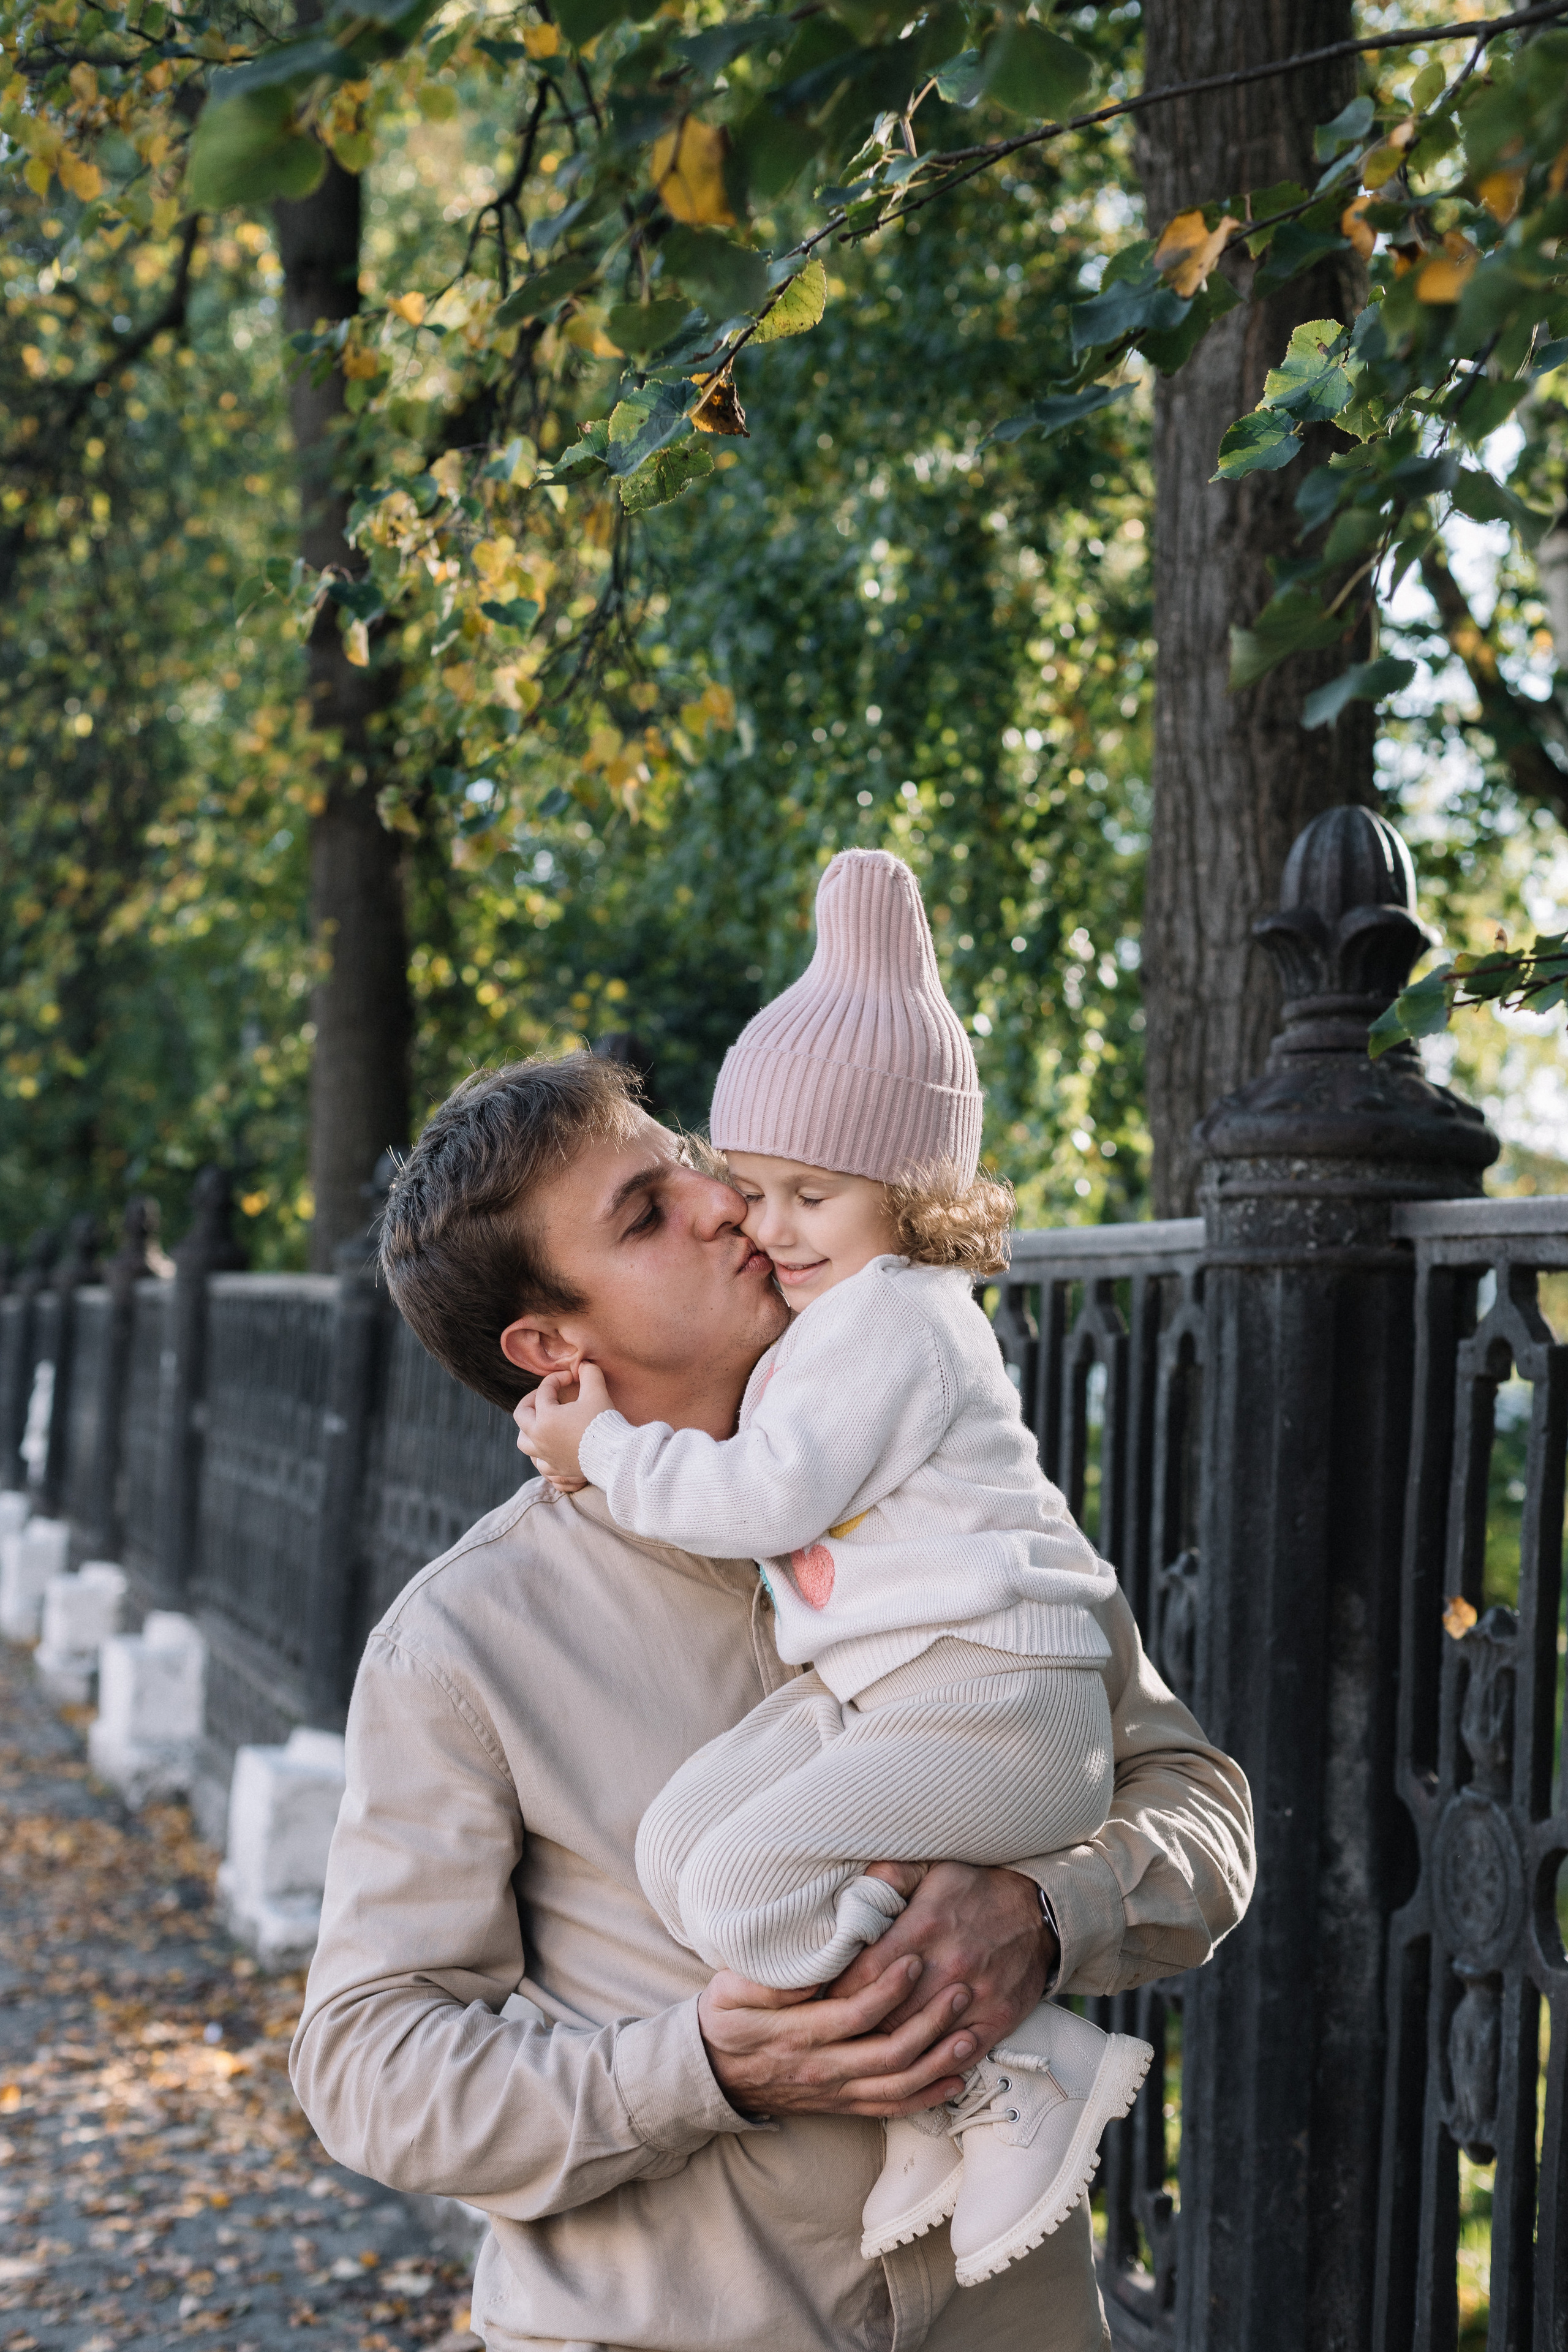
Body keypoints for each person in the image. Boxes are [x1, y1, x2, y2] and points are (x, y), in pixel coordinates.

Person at [290, 1049, 1255, 2352]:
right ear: (549, 1345)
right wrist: (697, 2069)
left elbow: (1196, 1805)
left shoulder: (942, 1473)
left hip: (1007, 2316)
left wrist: (1046, 1914)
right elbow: (366, 2068)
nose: (722, 1202)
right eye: (646, 1214)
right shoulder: (463, 1642)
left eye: (689, 1161)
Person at [513, 850, 1152, 2288]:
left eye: (809, 1193)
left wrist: (603, 1450)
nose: (763, 1222)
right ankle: (936, 2074)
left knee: (739, 1883)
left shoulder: (890, 1322)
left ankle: (1004, 2060)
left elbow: (763, 1496)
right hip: (898, 1695)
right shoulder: (834, 1323)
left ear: (909, 1192)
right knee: (684, 1849)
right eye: (749, 1186)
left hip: (992, 1702)